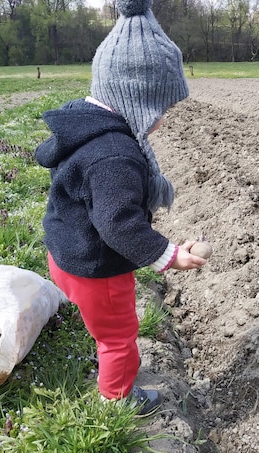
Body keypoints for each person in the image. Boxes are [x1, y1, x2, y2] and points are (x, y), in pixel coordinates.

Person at [34, 0, 207, 414]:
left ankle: (101, 348)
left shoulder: (85, 125)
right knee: (119, 335)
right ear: (134, 98)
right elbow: (118, 223)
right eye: (158, 110)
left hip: (65, 254)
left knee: (104, 328)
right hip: (98, 269)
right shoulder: (115, 156)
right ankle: (118, 399)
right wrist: (168, 255)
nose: (161, 121)